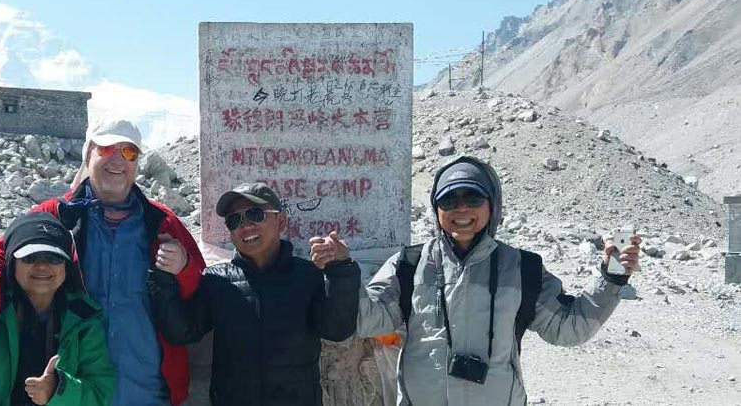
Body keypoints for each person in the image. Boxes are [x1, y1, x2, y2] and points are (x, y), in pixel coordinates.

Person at [311, 155, 641, 406]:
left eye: (473, 198)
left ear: (492, 205)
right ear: (436, 209)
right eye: (449, 200)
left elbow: (570, 328)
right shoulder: (409, 265)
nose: (461, 208)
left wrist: (610, 279)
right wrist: (342, 271)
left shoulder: (522, 268)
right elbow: (368, 320)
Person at [0, 118, 206, 406]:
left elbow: (199, 286)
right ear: (88, 154)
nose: (118, 160)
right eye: (107, 148)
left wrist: (183, 268)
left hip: (148, 391)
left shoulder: (162, 222)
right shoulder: (56, 215)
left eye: (129, 152)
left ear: (137, 162)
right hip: (76, 389)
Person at [148, 182, 361, 406]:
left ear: (281, 222)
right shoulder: (217, 280)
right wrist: (165, 278)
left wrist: (341, 269)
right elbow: (182, 332)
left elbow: (338, 330)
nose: (245, 226)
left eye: (255, 214)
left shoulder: (307, 276)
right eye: (234, 220)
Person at [0, 211, 115, 405]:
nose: (42, 266)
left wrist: (59, 389)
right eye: (30, 257)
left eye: (54, 258)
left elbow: (100, 392)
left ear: (66, 266)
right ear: (11, 263)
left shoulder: (84, 321)